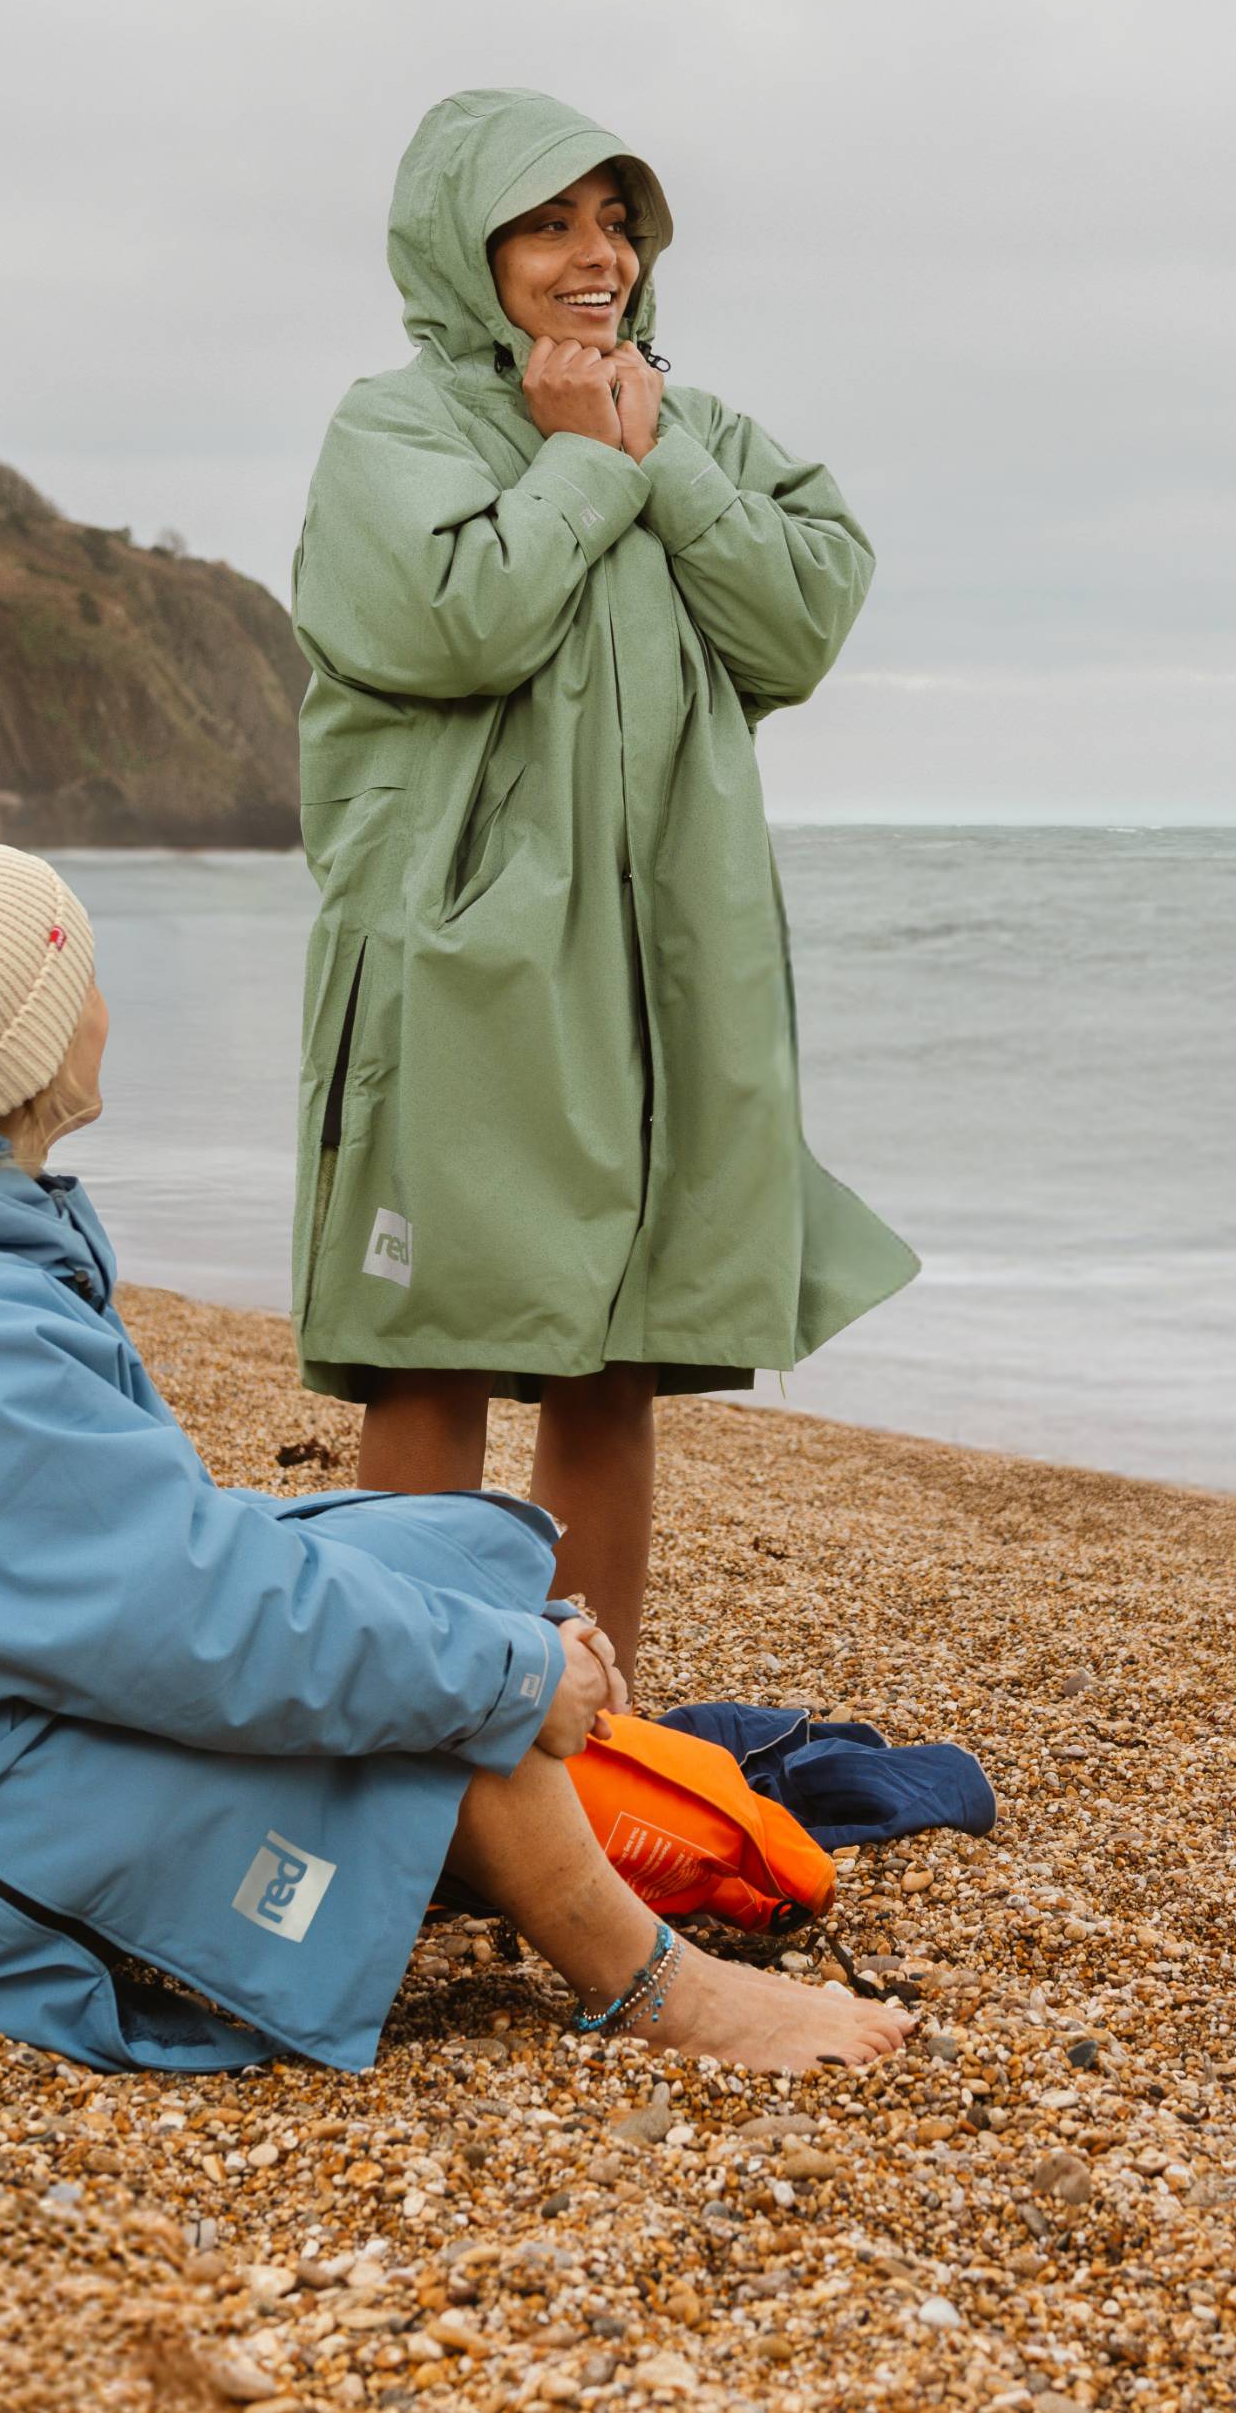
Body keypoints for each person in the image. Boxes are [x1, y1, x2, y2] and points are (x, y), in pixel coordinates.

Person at [0, 841, 911, 2076]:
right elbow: (200, 1624)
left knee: (446, 1566)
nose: (109, 1004)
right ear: (43, 1044)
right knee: (435, 1696)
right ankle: (656, 1989)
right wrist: (502, 1674)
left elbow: (152, 1569)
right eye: (84, 978)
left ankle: (491, 1826)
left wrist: (476, 1633)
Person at [289, 89, 918, 1677]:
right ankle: (403, 1737)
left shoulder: (697, 427)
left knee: (616, 1359)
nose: (599, 257)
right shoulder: (395, 429)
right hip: (464, 953)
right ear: (465, 242)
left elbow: (801, 621)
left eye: (616, 220)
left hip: (666, 959)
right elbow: (454, 627)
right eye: (551, 222)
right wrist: (585, 463)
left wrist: (659, 461)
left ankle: (592, 1737)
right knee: (430, 1347)